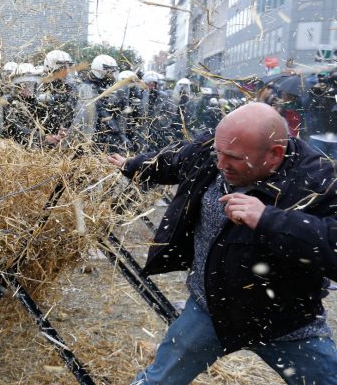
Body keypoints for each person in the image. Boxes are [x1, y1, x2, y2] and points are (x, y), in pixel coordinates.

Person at [107, 102, 337, 385]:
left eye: (234, 158)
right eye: (218, 151)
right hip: (210, 308)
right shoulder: (214, 151)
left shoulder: (319, 179)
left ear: (274, 154)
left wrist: (268, 219)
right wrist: (131, 166)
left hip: (285, 321)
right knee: (158, 381)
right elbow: (175, 160)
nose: (219, 164)